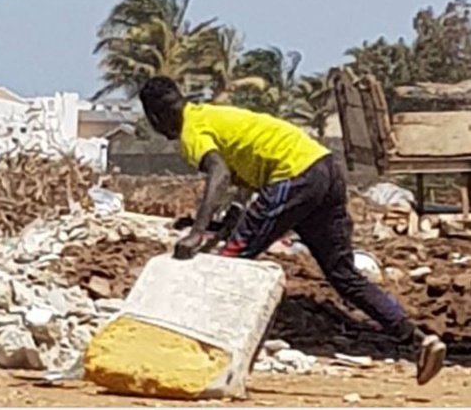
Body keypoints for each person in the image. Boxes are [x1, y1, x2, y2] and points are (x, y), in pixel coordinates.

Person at [138, 75, 446, 386]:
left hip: (294, 177)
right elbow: (248, 162)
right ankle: (420, 341)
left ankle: (208, 360)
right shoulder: (212, 114)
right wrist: (232, 217)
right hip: (324, 168)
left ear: (154, 118)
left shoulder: (191, 132)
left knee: (229, 264)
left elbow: (219, 171)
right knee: (343, 274)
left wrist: (197, 231)